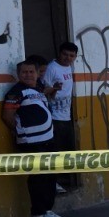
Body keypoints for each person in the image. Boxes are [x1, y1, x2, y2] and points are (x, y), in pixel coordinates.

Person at [2, 59, 67, 217]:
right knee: (38, 177)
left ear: (38, 73)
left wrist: (53, 90)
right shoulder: (16, 92)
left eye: (31, 72)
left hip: (47, 139)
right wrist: (21, 131)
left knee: (50, 175)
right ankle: (38, 214)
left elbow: (47, 92)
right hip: (31, 143)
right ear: (18, 74)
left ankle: (47, 211)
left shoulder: (38, 88)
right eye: (24, 72)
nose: (28, 75)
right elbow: (7, 116)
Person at [42, 41, 80, 192]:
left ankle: (62, 180)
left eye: (71, 56)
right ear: (59, 53)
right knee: (55, 150)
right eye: (65, 54)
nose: (68, 58)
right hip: (54, 115)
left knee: (67, 149)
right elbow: (44, 89)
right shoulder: (52, 68)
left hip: (66, 116)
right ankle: (54, 182)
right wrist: (54, 90)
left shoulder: (69, 67)